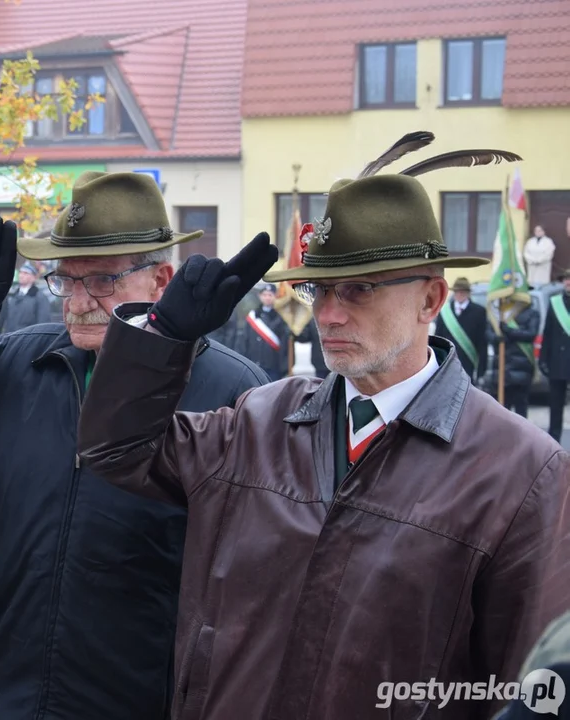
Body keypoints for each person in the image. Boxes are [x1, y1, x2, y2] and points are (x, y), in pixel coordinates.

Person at [76, 142, 570, 720]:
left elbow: (531, 685)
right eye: (320, 289)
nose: (328, 315)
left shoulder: (520, 469)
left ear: (430, 298)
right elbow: (114, 450)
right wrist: (162, 336)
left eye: (359, 288)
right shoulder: (260, 418)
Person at [0, 171, 267, 719]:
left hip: (136, 703)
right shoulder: (19, 363)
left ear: (162, 280)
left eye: (101, 280)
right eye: (66, 280)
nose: (78, 302)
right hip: (0, 696)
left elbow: (250, 588)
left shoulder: (233, 393)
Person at [489, 301, 539, 418]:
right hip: (501, 367)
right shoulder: (498, 313)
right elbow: (488, 332)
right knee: (502, 409)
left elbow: (531, 334)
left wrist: (509, 331)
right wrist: (497, 338)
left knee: (520, 408)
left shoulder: (531, 313)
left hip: (521, 367)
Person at [434, 277, 488, 384]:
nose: (459, 294)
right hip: (448, 362)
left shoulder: (479, 311)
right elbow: (438, 339)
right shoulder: (445, 311)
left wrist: (481, 371)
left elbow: (482, 342)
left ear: (468, 293)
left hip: (468, 362)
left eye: (463, 292)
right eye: (457, 291)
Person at [235, 282, 290, 380]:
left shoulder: (280, 317)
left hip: (273, 366)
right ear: (260, 296)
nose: (267, 297)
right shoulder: (253, 316)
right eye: (264, 295)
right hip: (254, 363)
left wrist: (284, 366)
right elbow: (244, 340)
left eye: (270, 295)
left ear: (275, 296)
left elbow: (285, 343)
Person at [541, 270, 570, 442]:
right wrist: (543, 359)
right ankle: (554, 440)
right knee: (555, 404)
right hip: (557, 362)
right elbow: (548, 333)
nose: (568, 283)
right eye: (566, 279)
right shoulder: (555, 302)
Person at [0, 261, 51, 335]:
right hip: (9, 338)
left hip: (26, 340)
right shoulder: (11, 295)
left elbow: (43, 322)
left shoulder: (39, 297)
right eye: (21, 272)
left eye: (26, 273)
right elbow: (1, 317)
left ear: (33, 278)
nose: (21, 275)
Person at [524, 225, 557, 289]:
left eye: (539, 231)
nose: (537, 232)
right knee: (531, 284)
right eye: (536, 231)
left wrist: (539, 260)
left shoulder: (548, 242)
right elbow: (526, 253)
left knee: (541, 285)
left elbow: (549, 254)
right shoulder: (530, 241)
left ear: (543, 232)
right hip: (532, 266)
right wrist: (532, 260)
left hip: (542, 267)